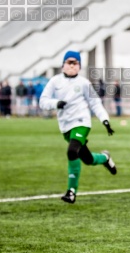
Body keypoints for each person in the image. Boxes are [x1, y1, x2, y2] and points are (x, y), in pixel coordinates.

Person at [39, 51, 118, 204]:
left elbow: (95, 103)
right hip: (65, 126)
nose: (72, 65)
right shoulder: (55, 81)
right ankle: (105, 158)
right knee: (87, 159)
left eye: (75, 63)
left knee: (71, 151)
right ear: (63, 64)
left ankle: (71, 192)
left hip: (82, 122)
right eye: (69, 62)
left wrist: (105, 120)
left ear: (79, 66)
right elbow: (43, 101)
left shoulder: (84, 83)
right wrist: (55, 103)